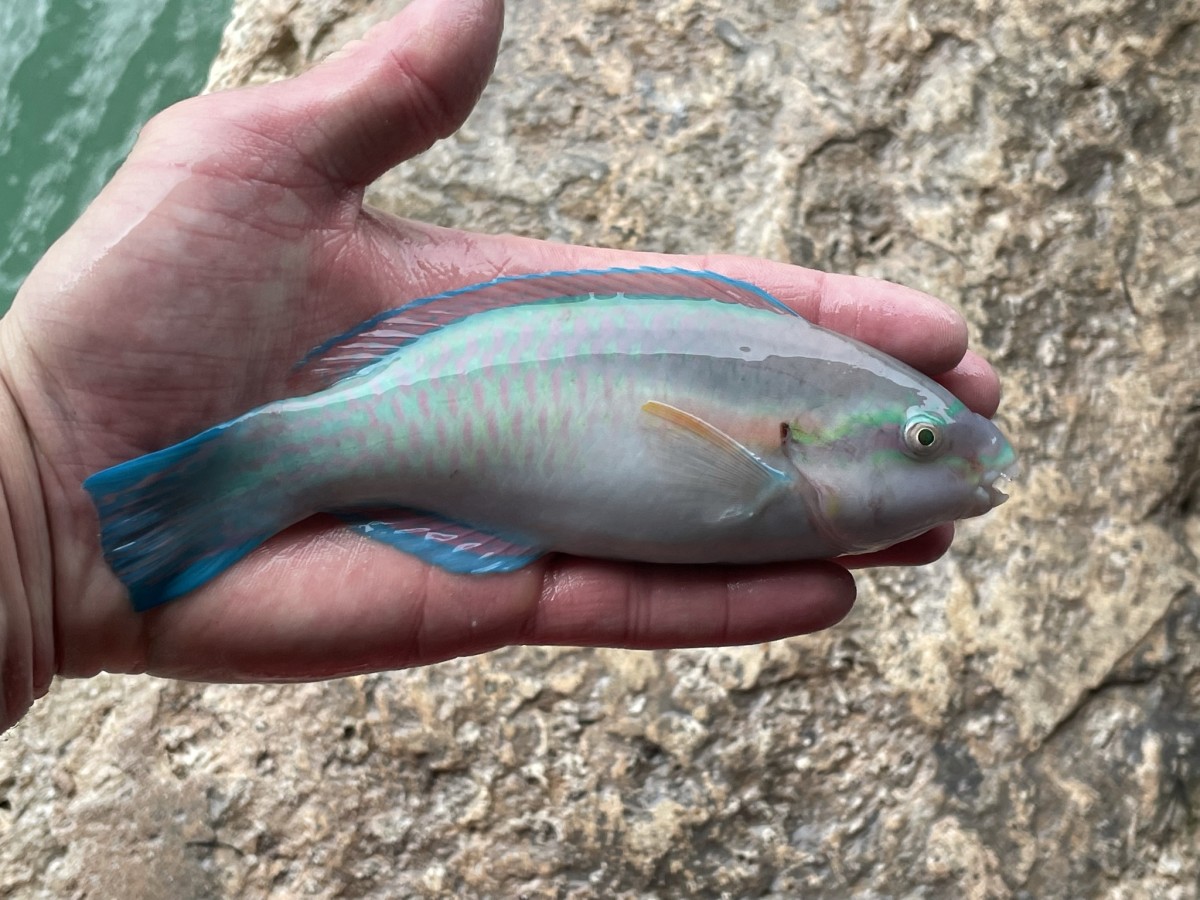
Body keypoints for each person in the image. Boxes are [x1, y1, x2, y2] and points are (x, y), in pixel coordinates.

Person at [0, 0, 1000, 734]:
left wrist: (38, 523)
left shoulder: (807, 394)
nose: (947, 457)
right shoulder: (792, 418)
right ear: (808, 437)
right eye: (920, 440)